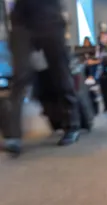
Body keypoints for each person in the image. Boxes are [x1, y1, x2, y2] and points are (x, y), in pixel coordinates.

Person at [0, 0, 81, 156]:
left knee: (60, 73)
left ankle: (72, 124)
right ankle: (13, 136)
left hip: (49, 17)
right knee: (20, 77)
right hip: (21, 20)